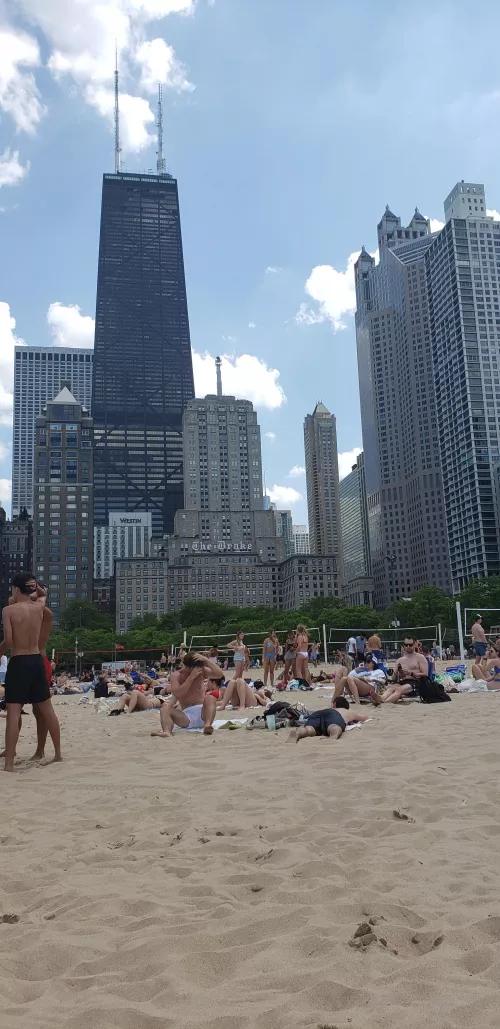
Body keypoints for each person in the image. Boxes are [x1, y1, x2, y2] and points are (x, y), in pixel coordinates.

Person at [0, 574, 61, 772]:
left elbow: (8, 641)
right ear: (31, 589)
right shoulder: (39, 607)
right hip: (36, 660)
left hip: (19, 660)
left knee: (13, 712)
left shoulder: (8, 610)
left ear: (16, 590)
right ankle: (58, 753)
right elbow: (42, 595)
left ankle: (9, 763)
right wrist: (36, 588)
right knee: (47, 709)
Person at [151, 652, 223, 739]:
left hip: (204, 712)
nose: (198, 669)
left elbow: (219, 674)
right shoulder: (176, 675)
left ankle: (207, 725)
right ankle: (167, 731)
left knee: (210, 697)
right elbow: (178, 694)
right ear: (187, 666)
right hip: (187, 716)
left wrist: (206, 660)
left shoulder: (202, 671)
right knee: (164, 709)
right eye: (195, 667)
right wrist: (191, 678)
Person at [371, 637, 428, 704]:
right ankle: (382, 698)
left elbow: (425, 674)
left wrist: (411, 673)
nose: (408, 646)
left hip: (416, 682)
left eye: (410, 644)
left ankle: (385, 703)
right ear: (403, 645)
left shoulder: (420, 657)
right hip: (402, 682)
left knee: (399, 689)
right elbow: (393, 678)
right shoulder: (400, 660)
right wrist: (397, 672)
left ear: (415, 644)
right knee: (391, 688)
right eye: (406, 645)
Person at [289, 697, 371, 743]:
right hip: (333, 714)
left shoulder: (327, 708)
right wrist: (354, 719)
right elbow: (365, 718)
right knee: (334, 726)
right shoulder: (346, 711)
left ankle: (298, 733)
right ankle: (333, 737)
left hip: (318, 714)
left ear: (334, 704)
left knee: (309, 729)